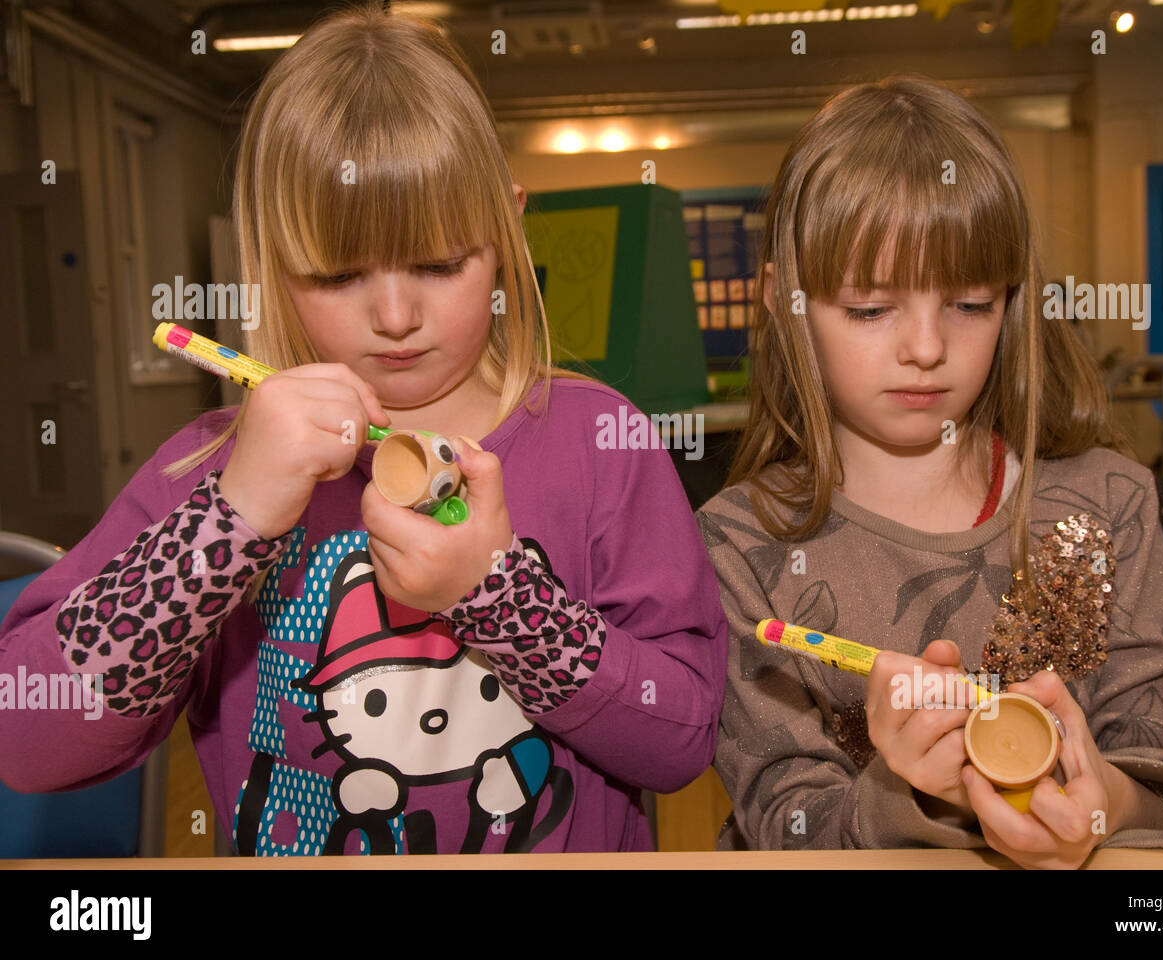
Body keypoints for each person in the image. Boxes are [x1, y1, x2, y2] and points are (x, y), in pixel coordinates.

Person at [0, 5, 727, 855]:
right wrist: (224, 524)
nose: (394, 316)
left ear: (506, 227)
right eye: (340, 273)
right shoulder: (212, 468)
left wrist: (497, 598)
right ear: (271, 260)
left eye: (438, 263)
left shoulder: (601, 441)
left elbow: (681, 738)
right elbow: (27, 735)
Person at [696, 76, 1163, 867]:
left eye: (971, 304)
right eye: (870, 309)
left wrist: (1103, 802)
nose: (926, 347)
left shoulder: (1106, 502)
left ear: (1012, 303)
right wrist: (903, 792)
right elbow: (784, 823)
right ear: (785, 303)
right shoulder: (738, 546)